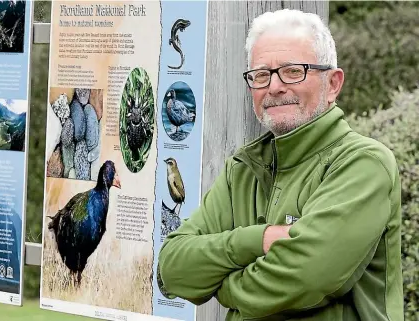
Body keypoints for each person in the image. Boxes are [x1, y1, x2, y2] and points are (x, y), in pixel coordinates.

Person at [157, 8, 403, 321]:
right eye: (261, 75)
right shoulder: (243, 168)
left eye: (292, 71)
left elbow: (307, 278)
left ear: (333, 84)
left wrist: (223, 288)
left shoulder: (362, 164)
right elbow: (173, 267)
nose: (274, 87)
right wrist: (260, 239)